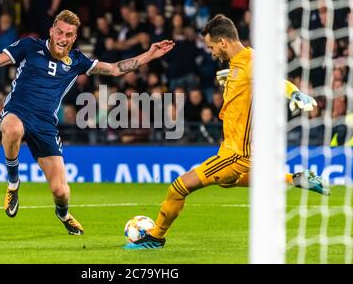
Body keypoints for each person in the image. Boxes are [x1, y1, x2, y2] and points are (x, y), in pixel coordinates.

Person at [0, 9, 174, 236]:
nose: (63, 38)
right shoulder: (29, 46)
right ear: (51, 30)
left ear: (75, 37)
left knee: (61, 191)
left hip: (46, 125)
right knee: (12, 128)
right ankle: (13, 183)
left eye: (69, 34)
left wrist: (150, 55)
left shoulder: (78, 61)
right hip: (18, 111)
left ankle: (63, 214)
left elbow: (116, 69)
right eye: (59, 32)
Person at [124, 14, 330, 250]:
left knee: (178, 187)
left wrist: (295, 94)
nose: (211, 52)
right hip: (234, 148)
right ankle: (296, 179)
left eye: (212, 46)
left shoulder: (251, 61)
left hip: (236, 154)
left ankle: (155, 237)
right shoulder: (237, 65)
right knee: (227, 183)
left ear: (223, 42)